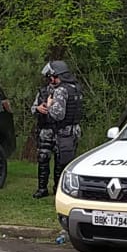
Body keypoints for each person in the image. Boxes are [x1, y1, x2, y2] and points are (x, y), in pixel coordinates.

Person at [30, 60, 84, 198]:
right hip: (47, 130)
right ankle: (42, 188)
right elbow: (33, 108)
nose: (49, 79)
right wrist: (37, 109)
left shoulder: (64, 90)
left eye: (51, 76)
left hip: (64, 132)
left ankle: (59, 188)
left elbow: (58, 115)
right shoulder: (47, 90)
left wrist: (48, 106)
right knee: (43, 158)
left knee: (62, 161)